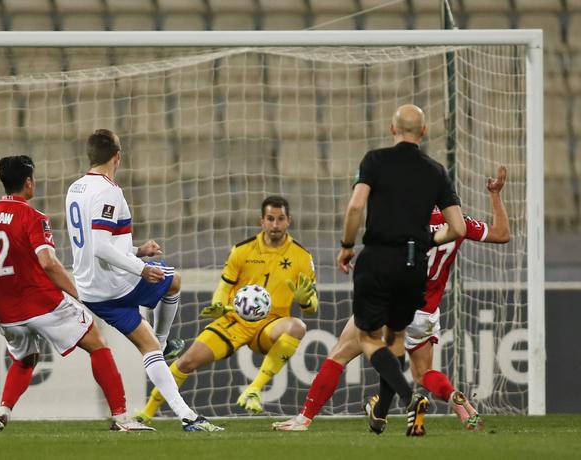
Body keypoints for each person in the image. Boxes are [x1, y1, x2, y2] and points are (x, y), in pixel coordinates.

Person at [272, 165, 510, 432]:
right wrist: (495, 195)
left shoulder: (405, 222)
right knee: (423, 373)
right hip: (426, 313)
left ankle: (304, 419)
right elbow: (503, 234)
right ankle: (458, 403)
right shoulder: (459, 224)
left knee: (339, 354)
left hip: (392, 304)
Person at [0, 155, 151, 432]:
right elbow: (48, 263)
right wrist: (80, 294)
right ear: (28, 182)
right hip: (45, 304)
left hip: (8, 314)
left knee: (25, 358)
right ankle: (122, 418)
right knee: (98, 345)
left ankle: (1, 414)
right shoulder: (34, 217)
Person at [65, 129, 222, 432]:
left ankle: (187, 416)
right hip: (116, 284)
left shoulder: (76, 188)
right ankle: (164, 342)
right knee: (173, 279)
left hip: (91, 291)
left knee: (146, 346)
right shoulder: (109, 191)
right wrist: (140, 267)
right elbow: (99, 246)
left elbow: (95, 241)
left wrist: (137, 250)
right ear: (117, 157)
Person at [336, 104, 467, 436]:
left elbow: (355, 205)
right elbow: (459, 228)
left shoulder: (375, 160)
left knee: (368, 336)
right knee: (395, 340)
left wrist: (347, 244)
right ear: (423, 132)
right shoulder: (436, 171)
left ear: (392, 129)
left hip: (378, 256)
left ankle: (410, 397)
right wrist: (427, 240)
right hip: (414, 265)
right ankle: (380, 413)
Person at [135, 196, 318, 422]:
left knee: (297, 326)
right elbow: (224, 286)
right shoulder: (242, 251)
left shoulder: (302, 257)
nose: (275, 225)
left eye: (280, 219)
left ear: (288, 221)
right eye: (270, 219)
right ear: (262, 220)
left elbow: (312, 306)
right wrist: (219, 305)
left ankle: (254, 389)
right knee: (187, 361)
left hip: (271, 325)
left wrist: (306, 300)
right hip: (235, 320)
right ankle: (147, 412)